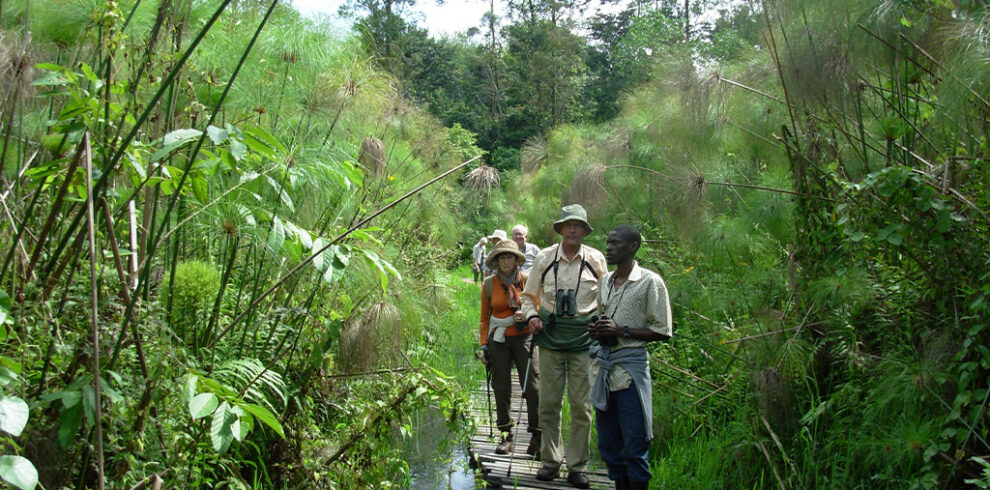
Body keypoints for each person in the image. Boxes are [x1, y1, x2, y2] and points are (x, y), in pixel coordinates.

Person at [521, 204, 607, 489]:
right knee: (549, 402)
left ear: (584, 230)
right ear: (561, 229)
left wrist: (604, 327)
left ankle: (577, 466)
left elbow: (607, 299)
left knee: (582, 406)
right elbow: (528, 296)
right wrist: (532, 317)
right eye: (567, 225)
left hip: (585, 340)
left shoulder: (596, 259)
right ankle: (550, 461)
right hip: (550, 337)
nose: (572, 229)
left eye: (577, 225)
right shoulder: (545, 258)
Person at [587, 225, 671, 490]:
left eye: (616, 243)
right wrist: (598, 330)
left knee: (634, 446)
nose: (609, 248)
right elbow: (605, 320)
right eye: (608, 242)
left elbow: (663, 331)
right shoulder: (605, 282)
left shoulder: (649, 282)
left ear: (633, 246)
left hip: (631, 373)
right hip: (605, 370)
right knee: (609, 446)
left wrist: (622, 330)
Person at [479, 239, 541, 456]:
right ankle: (506, 435)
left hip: (524, 337)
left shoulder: (527, 281)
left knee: (533, 387)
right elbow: (484, 319)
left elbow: (537, 307)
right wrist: (483, 346)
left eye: (510, 257)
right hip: (498, 340)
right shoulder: (488, 284)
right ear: (496, 261)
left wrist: (527, 314)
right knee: (501, 387)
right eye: (502, 257)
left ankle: (536, 436)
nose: (506, 261)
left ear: (517, 260)